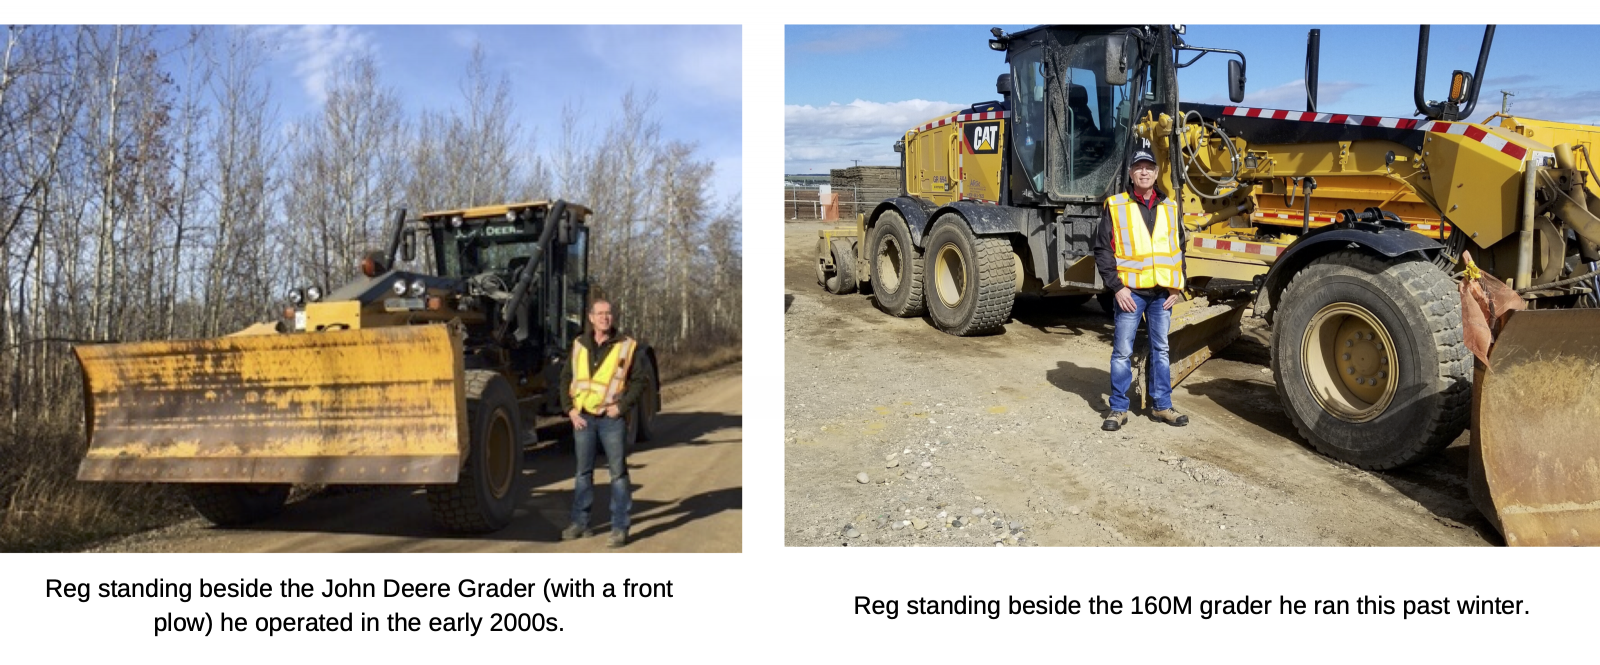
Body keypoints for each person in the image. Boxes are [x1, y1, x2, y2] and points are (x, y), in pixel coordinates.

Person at [1093, 145, 1190, 431]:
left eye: (1149, 167)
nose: (1144, 171)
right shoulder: (1116, 205)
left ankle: (1162, 406)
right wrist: (1117, 288)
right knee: (1122, 351)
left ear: (1157, 173)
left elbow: (1179, 249)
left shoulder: (1170, 207)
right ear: (1131, 173)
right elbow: (1103, 250)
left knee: (1161, 350)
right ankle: (1118, 409)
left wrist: (1176, 288)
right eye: (1139, 167)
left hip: (1162, 294)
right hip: (1130, 294)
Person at [559, 299, 644, 548]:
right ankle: (580, 523)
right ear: (591, 317)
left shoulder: (626, 346)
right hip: (583, 418)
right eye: (600, 314)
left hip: (610, 419)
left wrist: (622, 406)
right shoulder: (579, 345)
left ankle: (619, 528)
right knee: (583, 473)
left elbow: (639, 381)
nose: (605, 318)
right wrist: (570, 410)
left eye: (608, 313)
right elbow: (566, 378)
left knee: (617, 474)